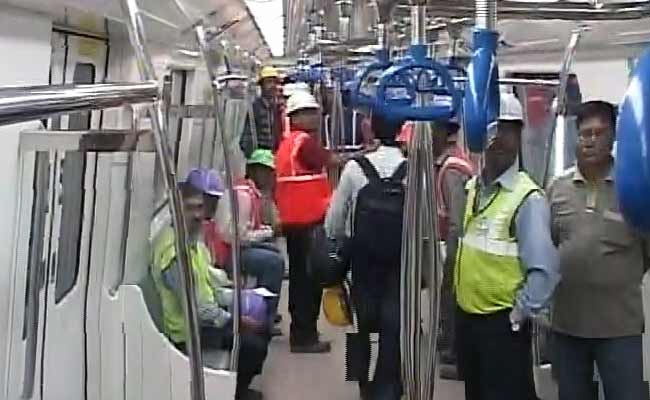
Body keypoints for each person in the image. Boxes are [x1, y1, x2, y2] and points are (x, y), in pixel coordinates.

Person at [454, 92, 559, 400]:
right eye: (491, 129)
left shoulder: (528, 199)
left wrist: (516, 317)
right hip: (469, 321)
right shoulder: (473, 188)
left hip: (502, 327)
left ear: (519, 135)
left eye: (507, 130)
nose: (497, 138)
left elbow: (545, 273)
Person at [548, 100, 649, 400]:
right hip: (568, 327)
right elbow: (551, 244)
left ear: (614, 137)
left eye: (599, 133)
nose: (590, 140)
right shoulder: (557, 189)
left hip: (619, 328)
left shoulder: (634, 189)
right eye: (584, 133)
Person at [275, 90, 378, 353]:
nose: (315, 117)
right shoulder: (304, 143)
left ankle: (302, 331)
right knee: (309, 281)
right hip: (308, 222)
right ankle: (304, 336)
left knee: (300, 279)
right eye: (309, 113)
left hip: (294, 221)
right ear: (295, 117)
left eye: (314, 112)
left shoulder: (288, 143)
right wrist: (366, 155)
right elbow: (332, 160)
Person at [151, 180, 269, 400]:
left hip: (203, 321)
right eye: (189, 208)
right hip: (189, 333)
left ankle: (236, 387)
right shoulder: (173, 254)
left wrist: (235, 295)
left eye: (199, 207)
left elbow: (209, 285)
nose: (197, 215)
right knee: (254, 345)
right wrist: (235, 321)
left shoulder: (191, 241)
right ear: (175, 210)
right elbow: (198, 308)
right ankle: (234, 392)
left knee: (263, 324)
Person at [325, 112, 407, 400]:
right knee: (393, 324)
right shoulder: (412, 169)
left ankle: (362, 381)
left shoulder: (355, 168)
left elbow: (334, 220)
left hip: (363, 260)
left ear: (371, 128)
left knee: (360, 321)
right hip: (400, 261)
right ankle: (388, 386)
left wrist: (339, 245)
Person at [208, 159, 284, 336]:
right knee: (274, 262)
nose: (272, 177)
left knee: (273, 253)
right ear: (257, 172)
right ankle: (264, 319)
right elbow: (234, 236)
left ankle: (264, 306)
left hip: (234, 248)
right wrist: (267, 233)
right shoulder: (243, 197)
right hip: (227, 253)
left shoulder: (251, 193)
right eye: (268, 173)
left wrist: (265, 232)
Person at [431, 119, 475, 380]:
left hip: (457, 245)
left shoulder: (451, 170)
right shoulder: (450, 164)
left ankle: (454, 351)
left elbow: (458, 218)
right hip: (454, 242)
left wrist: (453, 255)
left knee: (453, 295)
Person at [240, 66, 283, 157]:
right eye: (268, 82)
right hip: (260, 156)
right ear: (262, 85)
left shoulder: (279, 107)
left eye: (274, 82)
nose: (272, 85)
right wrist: (253, 155)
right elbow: (247, 135)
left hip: (276, 155)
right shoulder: (255, 107)